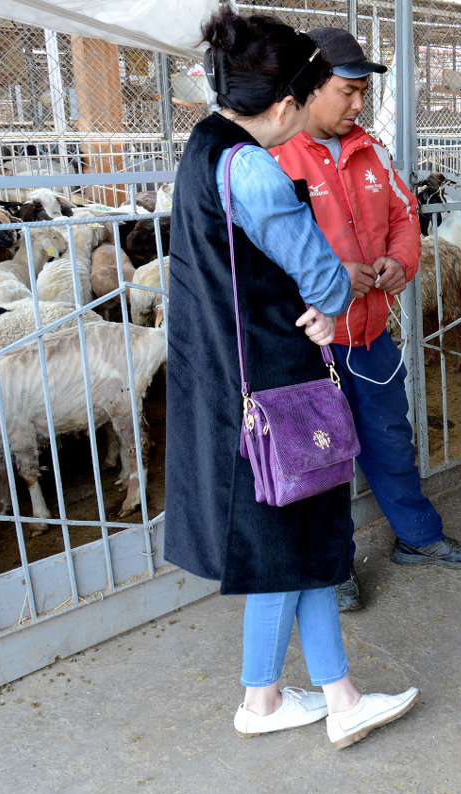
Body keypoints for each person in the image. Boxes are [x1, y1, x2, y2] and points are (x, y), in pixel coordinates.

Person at [163, 9, 418, 748]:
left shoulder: (202, 148)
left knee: (302, 539)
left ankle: (317, 696)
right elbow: (325, 278)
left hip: (231, 376)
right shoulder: (252, 167)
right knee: (287, 544)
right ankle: (282, 700)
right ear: (281, 106)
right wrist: (330, 302)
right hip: (277, 386)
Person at [271, 26, 461, 613]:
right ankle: (331, 566)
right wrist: (335, 278)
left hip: (368, 335)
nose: (360, 104)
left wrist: (400, 260)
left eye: (364, 92)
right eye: (348, 91)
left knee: (391, 439)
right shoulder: (274, 158)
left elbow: (406, 216)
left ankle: (418, 536)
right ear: (309, 87)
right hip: (308, 345)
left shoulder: (372, 152)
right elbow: (265, 256)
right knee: (322, 456)